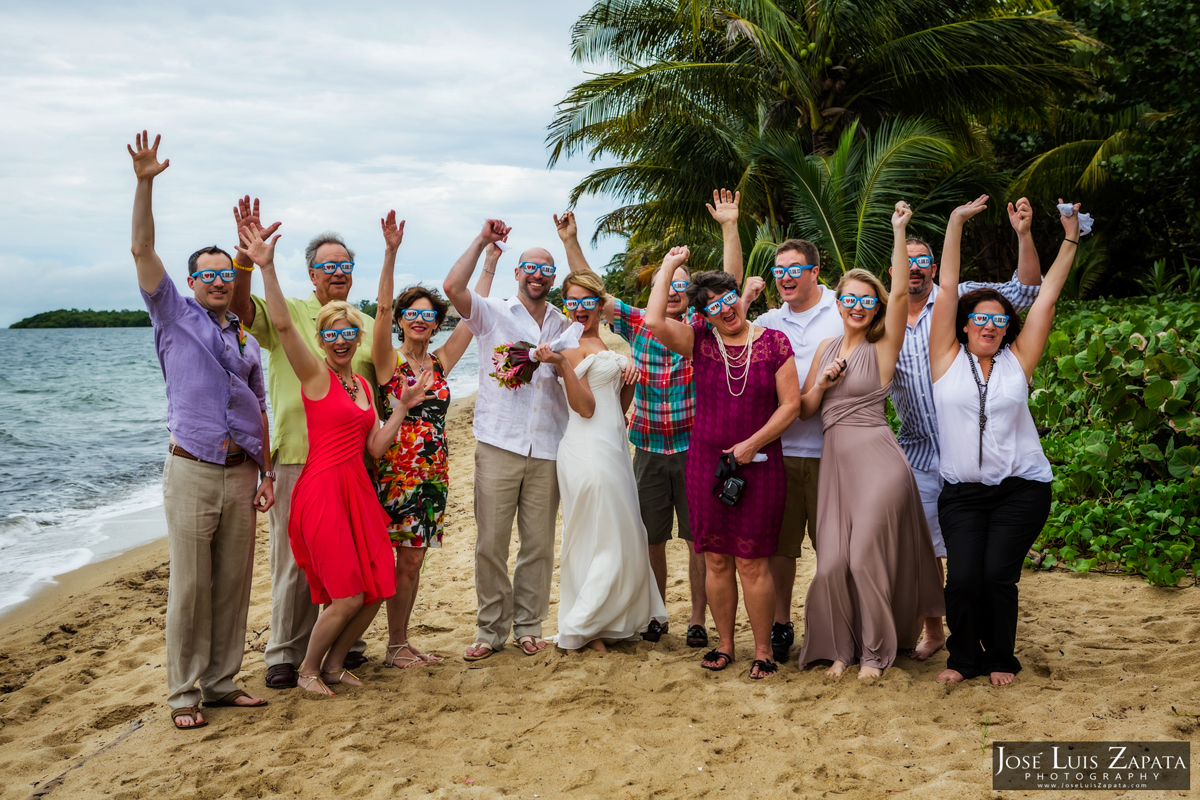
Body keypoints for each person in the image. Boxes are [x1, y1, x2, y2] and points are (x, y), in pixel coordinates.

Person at [127, 131, 272, 729]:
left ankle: (220, 681)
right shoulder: (171, 314)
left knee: (233, 584)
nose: (216, 282)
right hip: (190, 468)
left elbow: (259, 405)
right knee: (189, 588)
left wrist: (265, 472)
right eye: (206, 275)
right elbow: (141, 249)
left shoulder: (246, 337)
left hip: (240, 472)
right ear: (190, 283)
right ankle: (184, 693)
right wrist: (145, 183)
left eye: (224, 275)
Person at [554, 191, 744, 648]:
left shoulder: (701, 326)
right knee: (649, 538)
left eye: (683, 284)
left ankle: (696, 618)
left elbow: (731, 280)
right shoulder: (637, 321)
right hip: (646, 449)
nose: (675, 290)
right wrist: (570, 241)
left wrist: (729, 226)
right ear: (658, 287)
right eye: (668, 282)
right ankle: (657, 614)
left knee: (698, 541)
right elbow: (591, 291)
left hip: (694, 448)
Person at [236, 224, 417, 696]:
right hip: (310, 472)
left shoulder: (359, 364)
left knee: (370, 577)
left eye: (348, 333)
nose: (341, 339)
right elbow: (268, 321)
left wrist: (400, 406)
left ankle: (336, 658)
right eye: (327, 266)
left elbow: (375, 441)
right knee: (315, 576)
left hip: (357, 480)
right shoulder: (308, 354)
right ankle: (296, 662)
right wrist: (261, 266)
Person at [929, 198, 1080, 686]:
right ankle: (962, 658)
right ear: (964, 324)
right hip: (962, 493)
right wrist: (955, 223)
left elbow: (1049, 293)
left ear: (1007, 326)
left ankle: (999, 659)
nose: (990, 325)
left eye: (998, 319)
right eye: (980, 318)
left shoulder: (1019, 360)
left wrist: (1070, 235)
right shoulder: (945, 359)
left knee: (997, 575)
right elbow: (948, 286)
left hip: (1021, 488)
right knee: (964, 578)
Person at [796, 202, 945, 680]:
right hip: (836, 465)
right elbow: (806, 408)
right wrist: (822, 381)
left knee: (863, 559)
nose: (857, 306)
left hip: (879, 461)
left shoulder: (885, 344)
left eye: (866, 299)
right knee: (832, 563)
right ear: (836, 302)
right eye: (848, 298)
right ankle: (843, 648)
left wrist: (899, 231)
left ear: (876, 306)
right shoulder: (825, 348)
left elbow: (902, 290)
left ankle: (878, 652)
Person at [890, 197, 1042, 660]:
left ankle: (979, 635)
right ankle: (936, 629)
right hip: (917, 450)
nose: (914, 269)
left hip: (976, 452)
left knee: (970, 555)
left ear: (934, 267)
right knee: (925, 551)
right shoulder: (885, 312)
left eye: (922, 261)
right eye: (907, 261)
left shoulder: (963, 300)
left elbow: (1027, 291)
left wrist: (1023, 234)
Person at [646, 247, 800, 680]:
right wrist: (668, 268)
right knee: (715, 558)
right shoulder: (700, 343)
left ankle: (764, 650)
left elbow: (789, 405)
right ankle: (727, 644)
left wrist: (753, 443)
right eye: (712, 305)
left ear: (739, 294)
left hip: (761, 463)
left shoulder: (773, 341)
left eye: (728, 296)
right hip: (707, 466)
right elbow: (655, 321)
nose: (725, 307)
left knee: (753, 561)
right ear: (704, 315)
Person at [371, 210, 496, 668]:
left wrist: (487, 259)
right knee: (385, 560)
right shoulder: (388, 360)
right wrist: (390, 252)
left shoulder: (440, 362)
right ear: (402, 320)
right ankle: (373, 643)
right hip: (393, 473)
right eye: (412, 314)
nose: (420, 320)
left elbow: (473, 314)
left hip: (432, 474)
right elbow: (381, 309)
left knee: (413, 562)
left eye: (428, 315)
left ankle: (398, 643)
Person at [443, 219, 571, 661]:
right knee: (491, 543)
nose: (538, 275)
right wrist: (482, 241)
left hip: (549, 446)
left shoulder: (564, 324)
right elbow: (452, 287)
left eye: (546, 269)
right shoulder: (491, 313)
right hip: (498, 442)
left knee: (537, 545)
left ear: (552, 278)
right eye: (530, 267)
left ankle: (530, 626)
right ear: (517, 272)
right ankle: (490, 629)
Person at [532, 269, 669, 651]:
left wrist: (630, 382)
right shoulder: (568, 346)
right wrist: (560, 364)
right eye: (571, 302)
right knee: (599, 534)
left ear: (598, 302)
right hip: (586, 449)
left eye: (586, 301)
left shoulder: (604, 339)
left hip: (613, 446)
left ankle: (609, 621)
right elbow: (585, 408)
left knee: (622, 532)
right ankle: (584, 625)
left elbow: (616, 408)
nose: (578, 308)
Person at [744, 238, 846, 665]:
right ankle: (782, 624)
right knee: (781, 549)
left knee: (835, 549)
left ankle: (835, 626)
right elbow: (719, 324)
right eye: (779, 270)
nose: (785, 276)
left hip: (834, 450)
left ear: (814, 272)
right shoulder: (767, 320)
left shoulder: (842, 309)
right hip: (781, 450)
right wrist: (746, 296)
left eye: (794, 269)